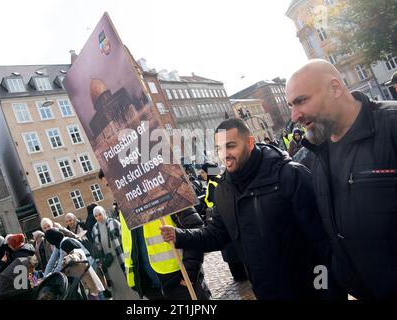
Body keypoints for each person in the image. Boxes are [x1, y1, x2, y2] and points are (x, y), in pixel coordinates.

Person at [161, 118, 333, 300]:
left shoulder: (290, 175)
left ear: (250, 142)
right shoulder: (223, 191)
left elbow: (324, 241)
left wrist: (329, 292)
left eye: (231, 146)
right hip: (265, 292)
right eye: (219, 149)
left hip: (309, 291)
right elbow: (216, 234)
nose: (224, 154)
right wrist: (179, 236)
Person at [286, 59, 397, 299]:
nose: (295, 115)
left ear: (335, 88)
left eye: (301, 101)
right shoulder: (310, 156)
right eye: (290, 106)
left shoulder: (392, 125)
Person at [92, 206, 139, 300]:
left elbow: (125, 239)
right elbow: (97, 247)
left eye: (100, 214)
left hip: (119, 257)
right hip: (109, 262)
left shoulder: (113, 223)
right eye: (96, 216)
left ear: (104, 213)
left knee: (127, 281)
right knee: (115, 285)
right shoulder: (95, 229)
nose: (98, 217)